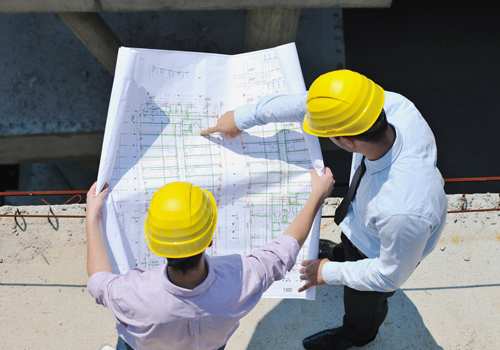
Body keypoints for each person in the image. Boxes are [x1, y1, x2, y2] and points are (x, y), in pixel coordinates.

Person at [200, 69, 448, 350]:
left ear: (347, 142)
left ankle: (355, 336)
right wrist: (245, 116)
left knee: (363, 306)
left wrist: (327, 273)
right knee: (346, 247)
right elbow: (309, 103)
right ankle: (341, 253)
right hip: (368, 227)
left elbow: (389, 274)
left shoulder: (402, 209)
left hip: (378, 251)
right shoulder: (392, 106)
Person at [86, 168, 334, 349]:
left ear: (156, 246)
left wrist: (92, 214)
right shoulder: (241, 278)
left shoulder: (130, 293)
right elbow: (286, 250)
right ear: (209, 241)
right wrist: (317, 196)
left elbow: (98, 280)